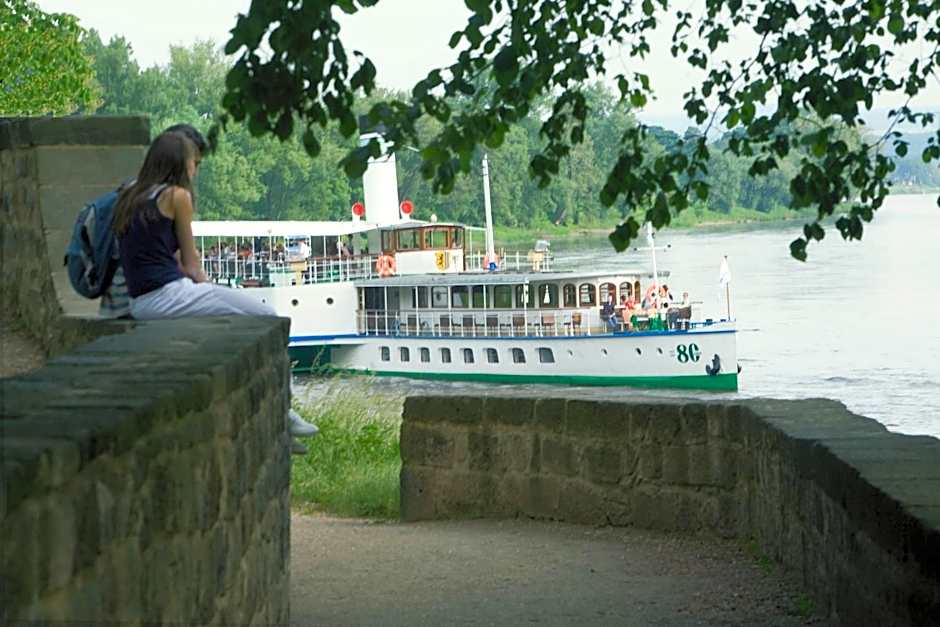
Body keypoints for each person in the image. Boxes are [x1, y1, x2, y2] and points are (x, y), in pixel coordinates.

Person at [113, 129, 317, 454]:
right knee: (267, 317)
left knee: (235, 316)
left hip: (141, 303)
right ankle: (285, 409)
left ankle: (279, 420)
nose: (195, 169)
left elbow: (153, 255)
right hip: (170, 295)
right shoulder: (177, 197)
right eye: (194, 162)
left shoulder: (129, 195)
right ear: (180, 164)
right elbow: (192, 266)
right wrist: (213, 292)